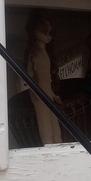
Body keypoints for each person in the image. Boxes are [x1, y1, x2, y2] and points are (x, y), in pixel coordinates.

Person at [25, 10, 63, 144]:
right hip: (39, 96)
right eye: (44, 32)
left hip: (47, 94)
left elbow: (47, 79)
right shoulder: (34, 54)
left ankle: (58, 146)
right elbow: (29, 76)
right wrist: (36, 92)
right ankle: (50, 149)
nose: (48, 37)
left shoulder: (45, 53)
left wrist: (52, 94)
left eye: (49, 33)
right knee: (45, 126)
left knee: (55, 125)